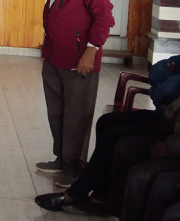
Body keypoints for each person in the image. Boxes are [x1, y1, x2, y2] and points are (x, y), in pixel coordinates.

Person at [35, 55, 180, 214]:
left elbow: (165, 92)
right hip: (164, 117)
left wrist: (168, 79)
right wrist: (165, 83)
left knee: (115, 136)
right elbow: (156, 72)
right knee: (105, 122)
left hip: (170, 128)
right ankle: (101, 195)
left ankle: (77, 193)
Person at [36, 0, 114, 187]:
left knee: (77, 115)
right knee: (56, 111)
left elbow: (103, 16)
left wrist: (91, 51)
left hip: (79, 59)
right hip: (54, 54)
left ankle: (75, 167)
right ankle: (62, 158)